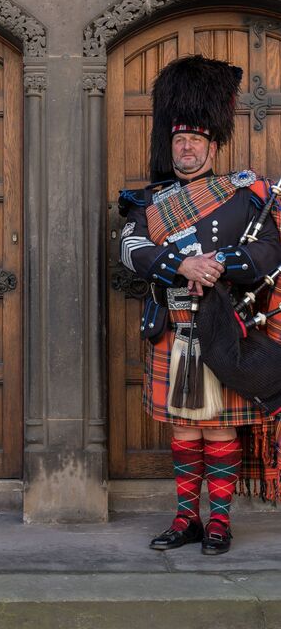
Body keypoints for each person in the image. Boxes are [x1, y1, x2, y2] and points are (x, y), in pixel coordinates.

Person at [119, 55, 281, 556]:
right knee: (185, 430)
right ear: (170, 146)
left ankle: (220, 523)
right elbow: (129, 249)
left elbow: (269, 251)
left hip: (225, 327)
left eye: (194, 141)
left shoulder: (244, 197)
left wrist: (221, 264)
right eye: (178, 141)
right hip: (173, 325)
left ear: (213, 145)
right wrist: (180, 265)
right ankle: (187, 518)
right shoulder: (149, 202)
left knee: (218, 426)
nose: (185, 148)